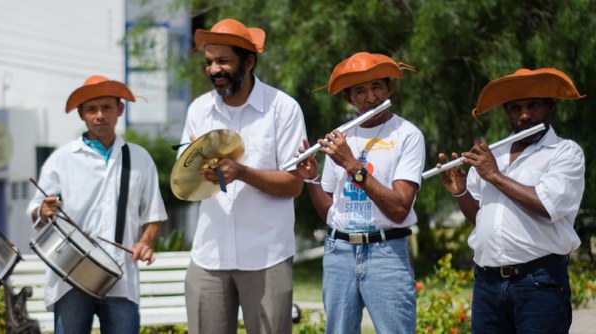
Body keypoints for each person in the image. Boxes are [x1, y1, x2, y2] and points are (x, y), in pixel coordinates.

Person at [178, 18, 307, 334]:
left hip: (267, 256)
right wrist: (199, 172)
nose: (213, 69)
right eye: (209, 62)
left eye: (223, 61)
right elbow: (184, 177)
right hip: (209, 254)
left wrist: (243, 173)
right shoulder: (198, 110)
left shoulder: (283, 109)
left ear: (248, 62)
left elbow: (294, 183)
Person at [435, 68, 585, 333]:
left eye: (533, 105)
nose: (524, 115)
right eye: (515, 108)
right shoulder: (494, 154)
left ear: (550, 106)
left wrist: (493, 175)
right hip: (488, 284)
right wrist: (460, 192)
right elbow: (479, 218)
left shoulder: (565, 152)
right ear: (506, 111)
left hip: (539, 283)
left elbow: (545, 205)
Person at [295, 52, 424, 334]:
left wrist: (352, 165)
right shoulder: (339, 137)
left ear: (390, 88)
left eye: (377, 87)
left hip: (386, 251)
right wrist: (312, 179)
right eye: (360, 91)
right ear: (348, 98)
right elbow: (330, 211)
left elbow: (400, 207)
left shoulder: (407, 134)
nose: (371, 97)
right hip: (339, 251)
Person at [27, 75, 167, 334]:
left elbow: (154, 214)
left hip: (121, 276)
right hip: (70, 275)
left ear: (120, 110)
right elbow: (36, 211)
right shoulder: (61, 159)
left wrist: (145, 243)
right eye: (92, 109)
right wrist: (43, 211)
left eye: (107, 108)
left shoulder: (140, 158)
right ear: (81, 114)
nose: (100, 115)